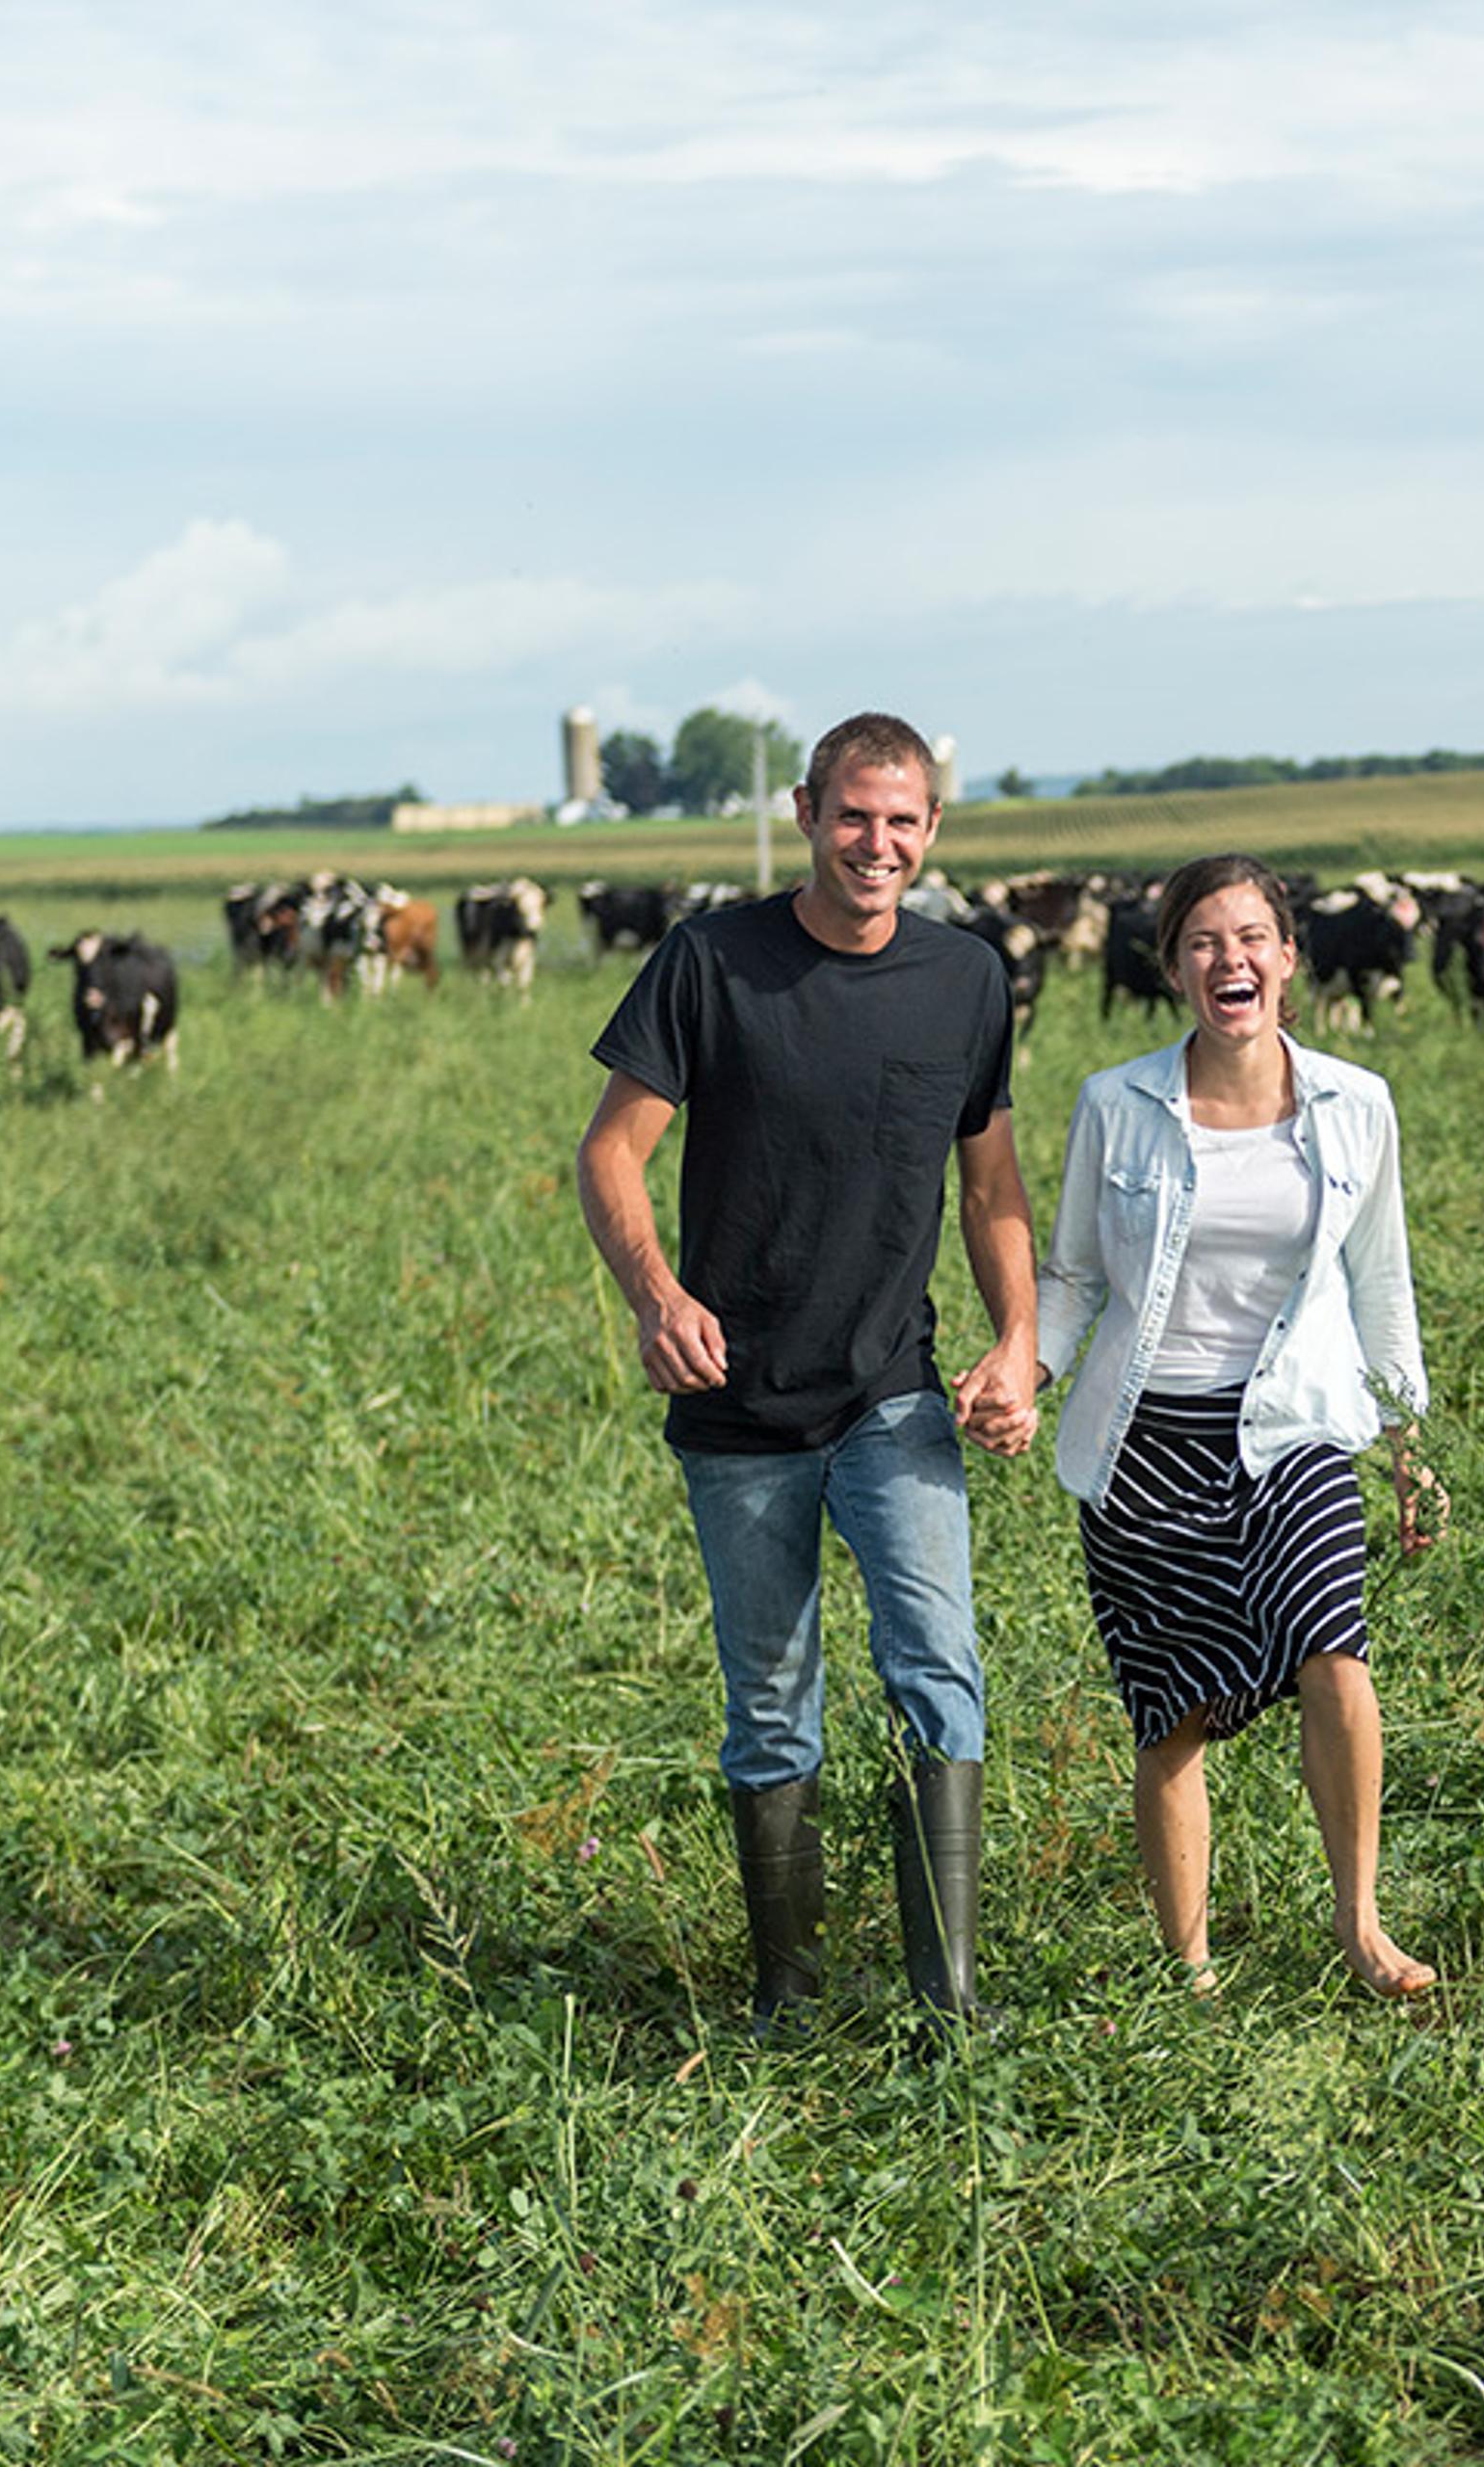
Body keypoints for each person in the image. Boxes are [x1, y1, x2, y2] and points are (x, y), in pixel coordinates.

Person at [574, 711, 1039, 2030]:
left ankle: (949, 2001)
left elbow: (990, 1178)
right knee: (771, 1707)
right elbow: (611, 1154)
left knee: (938, 1665)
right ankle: (789, 1995)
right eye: (853, 815)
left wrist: (1019, 1339)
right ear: (804, 813)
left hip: (893, 1394)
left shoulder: (965, 980)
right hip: (737, 1408)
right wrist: (656, 1296)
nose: (875, 843)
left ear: (933, 831)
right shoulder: (710, 963)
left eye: (901, 821)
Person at [1035, 853, 1443, 1998]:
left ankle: (1362, 1925)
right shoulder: (1117, 1105)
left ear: (1290, 958)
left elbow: (1383, 1281)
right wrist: (1026, 1369)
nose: (1234, 959)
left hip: (1295, 1423)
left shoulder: (1357, 1104)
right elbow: (1071, 1278)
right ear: (1172, 967)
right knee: (1175, 1715)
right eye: (1207, 941)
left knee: (1335, 1651)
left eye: (1254, 936)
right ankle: (1191, 1972)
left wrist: (1405, 1437)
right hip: (1144, 1438)